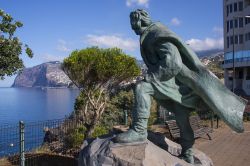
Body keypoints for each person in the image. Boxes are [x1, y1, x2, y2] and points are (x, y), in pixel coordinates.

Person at [115, 9, 247, 164]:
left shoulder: (155, 35)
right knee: (181, 117)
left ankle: (138, 130)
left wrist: (151, 77)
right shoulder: (155, 32)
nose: (132, 28)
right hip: (183, 86)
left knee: (142, 88)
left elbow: (173, 63)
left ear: (139, 21)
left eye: (133, 24)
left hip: (178, 84)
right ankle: (188, 154)